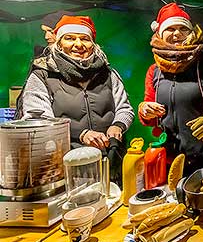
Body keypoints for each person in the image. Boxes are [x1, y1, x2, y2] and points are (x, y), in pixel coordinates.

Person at [138, 3, 203, 176]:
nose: (177, 34)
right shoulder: (154, 70)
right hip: (168, 158)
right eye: (170, 29)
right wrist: (145, 110)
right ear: (160, 34)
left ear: (191, 33)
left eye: (182, 29)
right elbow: (150, 112)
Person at [21, 15, 135, 152]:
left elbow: (124, 108)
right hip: (64, 158)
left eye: (85, 39)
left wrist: (118, 125)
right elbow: (38, 119)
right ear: (59, 44)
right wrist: (80, 133)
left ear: (93, 45)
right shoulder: (42, 75)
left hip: (110, 155)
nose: (78, 44)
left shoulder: (108, 74)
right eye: (69, 38)